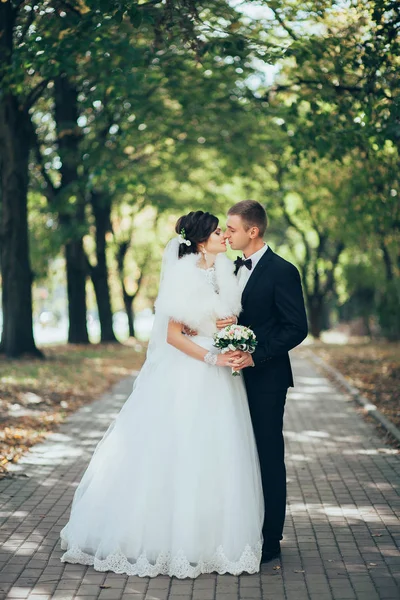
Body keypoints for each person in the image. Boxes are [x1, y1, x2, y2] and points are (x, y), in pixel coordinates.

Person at [60, 210, 264, 578]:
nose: (224, 236)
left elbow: (217, 317)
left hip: (220, 377)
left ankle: (210, 538)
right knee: (181, 448)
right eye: (218, 231)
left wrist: (229, 327)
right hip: (192, 371)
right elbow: (172, 335)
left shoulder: (224, 271)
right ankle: (164, 538)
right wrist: (212, 357)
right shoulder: (184, 275)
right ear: (202, 240)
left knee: (217, 452)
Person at [223, 200, 308, 563]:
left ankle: (270, 539)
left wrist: (256, 355)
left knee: (268, 455)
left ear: (252, 231)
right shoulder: (227, 270)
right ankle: (239, 528)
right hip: (228, 379)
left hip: (268, 379)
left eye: (231, 229)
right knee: (236, 454)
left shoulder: (282, 271)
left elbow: (296, 327)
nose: (225, 234)